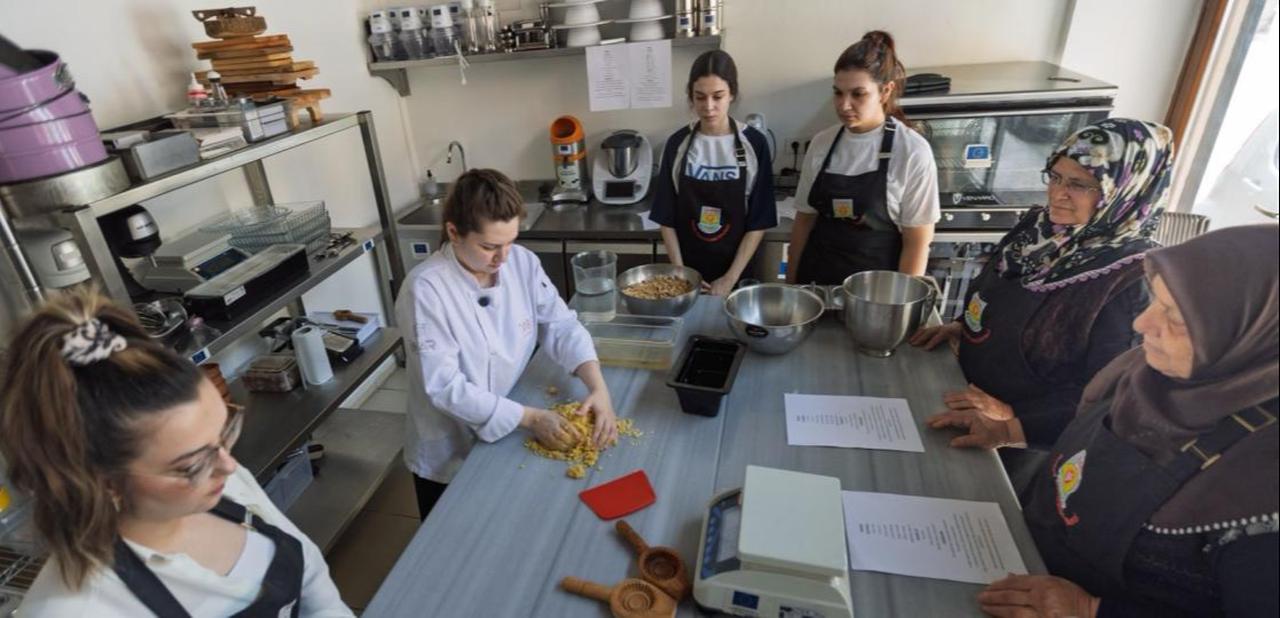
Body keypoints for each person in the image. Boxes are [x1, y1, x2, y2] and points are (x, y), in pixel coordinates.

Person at [972, 224, 1279, 617]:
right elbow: (1093, 423)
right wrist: (1008, 430)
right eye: (1156, 300)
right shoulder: (1146, 371)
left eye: (1175, 317)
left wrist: (1090, 610)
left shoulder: (1264, 487)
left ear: (1251, 333)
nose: (1142, 324)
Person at [0, 288, 351, 617]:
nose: (228, 466)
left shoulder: (228, 488)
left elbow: (313, 581)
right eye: (193, 464)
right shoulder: (73, 608)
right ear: (103, 481)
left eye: (223, 431)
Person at [915, 119, 1172, 451]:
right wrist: (965, 328)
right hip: (964, 396)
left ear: (1123, 191)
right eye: (1055, 176)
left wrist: (1013, 423)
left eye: (1080, 184)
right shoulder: (1038, 228)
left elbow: (1112, 397)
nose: (1057, 193)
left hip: (1024, 442)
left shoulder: (1132, 279)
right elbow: (1002, 295)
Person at [396, 169, 619, 520]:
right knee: (449, 544)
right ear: (454, 232)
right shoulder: (426, 289)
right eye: (489, 247)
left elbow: (560, 325)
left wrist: (598, 388)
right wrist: (530, 418)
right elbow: (445, 388)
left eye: (510, 242)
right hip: (449, 444)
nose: (503, 258)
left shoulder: (523, 263)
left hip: (509, 423)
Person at [787, 30, 939, 284]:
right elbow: (804, 221)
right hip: (816, 286)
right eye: (838, 93)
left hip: (876, 295)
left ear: (885, 91)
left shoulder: (911, 151)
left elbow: (917, 243)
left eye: (858, 94)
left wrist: (897, 308)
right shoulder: (822, 143)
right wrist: (790, 286)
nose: (844, 105)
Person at [649, 49, 777, 295]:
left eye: (718, 96)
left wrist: (730, 279)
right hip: (687, 273)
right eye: (700, 97)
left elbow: (758, 220)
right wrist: (680, 274)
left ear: (732, 94)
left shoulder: (754, 143)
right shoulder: (678, 143)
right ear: (691, 97)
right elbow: (667, 216)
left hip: (738, 273)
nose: (708, 107)